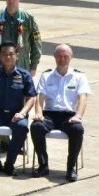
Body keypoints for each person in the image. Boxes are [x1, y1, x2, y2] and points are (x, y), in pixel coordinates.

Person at [31, 44, 91, 182]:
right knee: (36, 127)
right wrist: (38, 113)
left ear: (71, 57)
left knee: (77, 129)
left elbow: (83, 98)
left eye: (65, 56)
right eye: (59, 56)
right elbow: (40, 97)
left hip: (69, 116)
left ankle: (71, 168)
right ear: (54, 57)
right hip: (50, 114)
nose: (62, 59)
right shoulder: (46, 75)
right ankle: (43, 165)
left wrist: (78, 116)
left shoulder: (79, 76)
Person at [0, 41, 37, 176]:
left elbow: (31, 98)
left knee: (22, 127)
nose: (8, 57)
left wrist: (22, 113)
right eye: (4, 54)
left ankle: (10, 163)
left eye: (11, 54)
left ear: (17, 55)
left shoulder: (24, 75)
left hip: (16, 114)